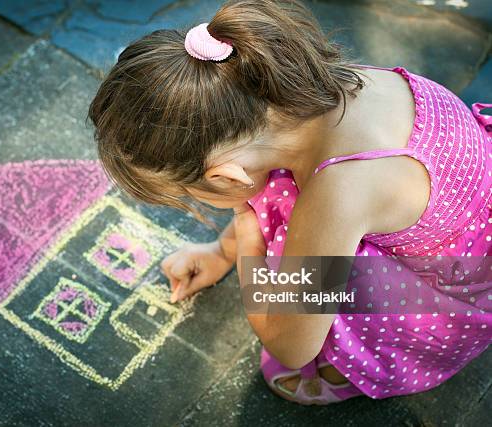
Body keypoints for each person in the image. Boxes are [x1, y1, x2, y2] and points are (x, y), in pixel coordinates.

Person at [88, 0, 491, 405]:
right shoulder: (320, 92)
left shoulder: (338, 192)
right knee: (276, 188)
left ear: (223, 176)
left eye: (190, 195)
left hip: (453, 295)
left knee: (281, 218)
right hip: (465, 224)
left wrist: (248, 244)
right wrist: (218, 253)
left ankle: (371, 363)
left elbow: (291, 346)